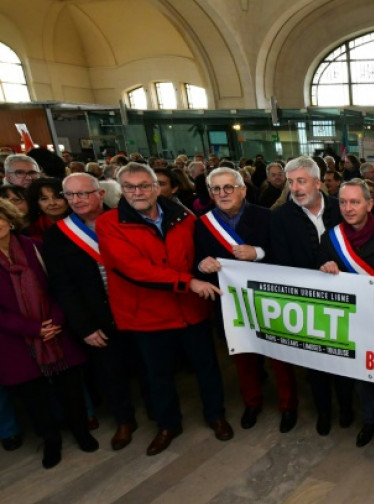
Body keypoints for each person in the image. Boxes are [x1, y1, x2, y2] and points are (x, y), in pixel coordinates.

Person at [96, 162, 233, 456]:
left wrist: (204, 264)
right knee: (158, 375)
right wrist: (189, 281)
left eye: (144, 185)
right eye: (130, 187)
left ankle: (216, 416)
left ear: (157, 188)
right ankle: (168, 425)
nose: (138, 192)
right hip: (148, 314)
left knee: (207, 367)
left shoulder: (183, 216)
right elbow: (134, 269)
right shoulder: (109, 223)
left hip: (190, 310)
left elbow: (197, 253)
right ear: (121, 190)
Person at [194, 167, 299, 434]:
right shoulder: (202, 223)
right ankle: (252, 403)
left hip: (269, 300)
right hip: (231, 303)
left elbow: (286, 257)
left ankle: (288, 406)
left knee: (280, 357)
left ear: (242, 189)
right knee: (243, 357)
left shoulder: (267, 217)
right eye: (216, 189)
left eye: (229, 187)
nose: (223, 193)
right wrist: (201, 264)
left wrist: (258, 252)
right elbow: (195, 261)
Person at [43, 173, 143, 451]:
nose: (76, 200)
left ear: (100, 194)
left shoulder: (126, 218)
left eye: (83, 193)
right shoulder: (57, 235)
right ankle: (125, 420)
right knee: (110, 373)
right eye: (70, 195)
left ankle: (162, 414)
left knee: (149, 366)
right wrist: (84, 326)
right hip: (98, 317)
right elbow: (63, 286)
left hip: (138, 309)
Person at [0, 198, 97, 469]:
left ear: (9, 220)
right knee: (34, 396)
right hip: (16, 341)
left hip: (56, 330)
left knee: (71, 388)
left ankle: (81, 432)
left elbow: (59, 286)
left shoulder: (36, 248)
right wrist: (33, 329)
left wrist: (54, 320)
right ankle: (50, 440)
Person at [318, 179, 374, 448]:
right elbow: (318, 277)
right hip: (351, 319)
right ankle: (369, 421)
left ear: (368, 204)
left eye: (355, 202)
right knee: (360, 374)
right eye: (343, 202)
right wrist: (324, 266)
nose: (348, 207)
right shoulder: (330, 238)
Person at [270, 156, 350, 436]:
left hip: (343, 300)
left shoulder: (341, 209)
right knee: (315, 363)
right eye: (291, 182)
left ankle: (347, 409)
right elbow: (281, 261)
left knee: (343, 358)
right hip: (306, 303)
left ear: (318, 182)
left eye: (301, 181)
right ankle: (324, 413)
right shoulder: (280, 217)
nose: (296, 188)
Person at [25, 178, 69, 244]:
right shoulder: (30, 228)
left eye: (58, 197)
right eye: (44, 199)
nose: (52, 203)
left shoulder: (82, 221)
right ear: (36, 203)